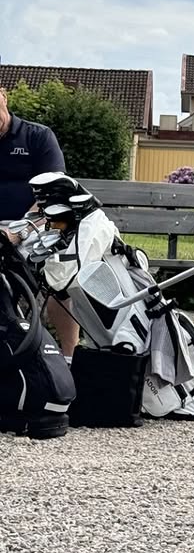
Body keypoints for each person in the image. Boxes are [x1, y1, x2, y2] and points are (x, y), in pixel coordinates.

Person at [0, 87, 82, 358]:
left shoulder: (37, 137)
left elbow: (55, 193)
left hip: (36, 226)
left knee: (60, 272)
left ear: (3, 96)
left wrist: (20, 230)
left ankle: (69, 357)